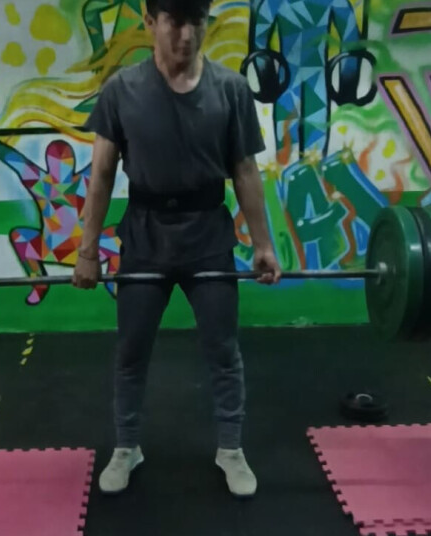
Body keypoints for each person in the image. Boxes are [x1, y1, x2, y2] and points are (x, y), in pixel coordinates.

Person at [72, 0, 282, 498]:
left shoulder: (231, 89)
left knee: (223, 351)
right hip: (144, 236)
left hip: (208, 235)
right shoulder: (121, 89)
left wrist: (263, 244)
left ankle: (231, 449)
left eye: (197, 22)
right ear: (150, 22)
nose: (186, 35)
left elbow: (245, 171)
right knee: (131, 351)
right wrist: (87, 250)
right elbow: (101, 174)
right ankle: (127, 447)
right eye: (175, 22)